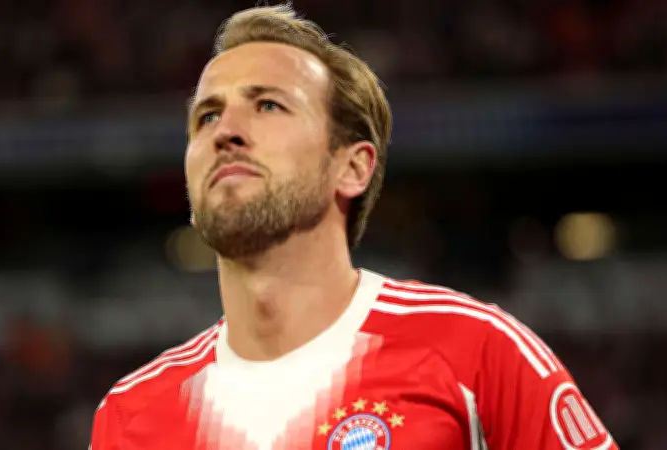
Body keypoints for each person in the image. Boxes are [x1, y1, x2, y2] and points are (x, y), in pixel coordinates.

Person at [90, 3, 618, 449]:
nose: (225, 131)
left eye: (268, 105)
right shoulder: (130, 415)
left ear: (352, 167)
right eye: (206, 116)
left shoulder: (475, 353)